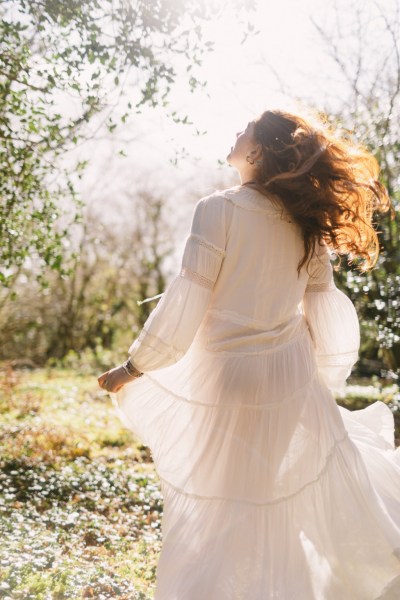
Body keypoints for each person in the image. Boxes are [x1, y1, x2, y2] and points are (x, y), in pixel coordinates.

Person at [98, 109, 400, 599]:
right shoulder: (305, 225)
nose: (235, 134)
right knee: (272, 504)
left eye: (244, 131)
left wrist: (136, 366)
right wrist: (321, 379)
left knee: (223, 507)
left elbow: (189, 296)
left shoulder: (217, 208)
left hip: (229, 376)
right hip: (290, 376)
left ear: (257, 152)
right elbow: (324, 308)